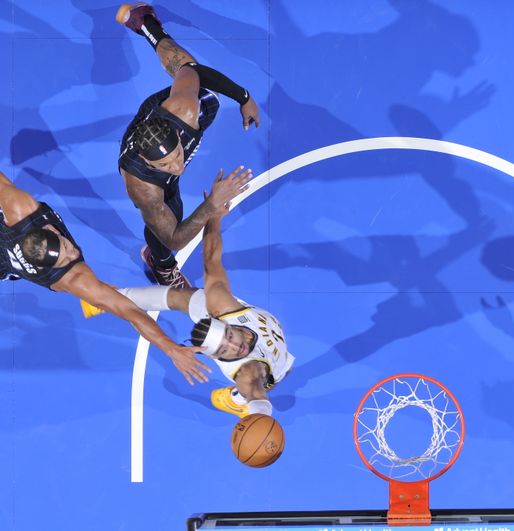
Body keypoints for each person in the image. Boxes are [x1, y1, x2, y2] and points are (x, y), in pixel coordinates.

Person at [82, 201, 294, 418]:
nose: (234, 347)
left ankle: (237, 400)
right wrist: (262, 417)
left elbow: (211, 259)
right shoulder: (246, 370)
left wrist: (214, 216)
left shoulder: (222, 306)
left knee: (180, 297)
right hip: (273, 362)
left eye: (229, 337)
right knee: (276, 374)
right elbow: (258, 394)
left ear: (227, 324)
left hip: (256, 347)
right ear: (213, 356)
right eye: (223, 351)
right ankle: (109, 298)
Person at [0, 170, 210, 384]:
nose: (73, 253)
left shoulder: (20, 209)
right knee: (97, 294)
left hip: (7, 245)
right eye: (65, 259)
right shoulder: (74, 278)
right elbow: (130, 311)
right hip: (6, 262)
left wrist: (172, 348)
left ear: (50, 232)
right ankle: (97, 297)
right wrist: (172, 349)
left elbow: (129, 311)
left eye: (65, 246)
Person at [116, 3, 259, 288]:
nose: (177, 166)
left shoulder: (182, 110)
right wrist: (212, 205)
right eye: (166, 165)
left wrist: (244, 97)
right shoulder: (143, 186)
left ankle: (145, 25)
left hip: (160, 114)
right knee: (169, 222)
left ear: (178, 137)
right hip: (149, 177)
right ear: (150, 163)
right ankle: (161, 265)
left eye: (178, 155)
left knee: (189, 74)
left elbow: (190, 69)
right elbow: (174, 237)